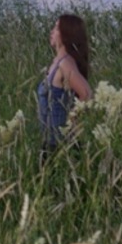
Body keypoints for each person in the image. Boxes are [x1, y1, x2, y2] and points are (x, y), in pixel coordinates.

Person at [37, 13, 92, 161]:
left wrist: (71, 123)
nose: (52, 32)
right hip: (50, 142)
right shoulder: (57, 62)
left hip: (60, 145)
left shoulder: (65, 64)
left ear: (66, 34)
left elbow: (86, 94)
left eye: (56, 28)